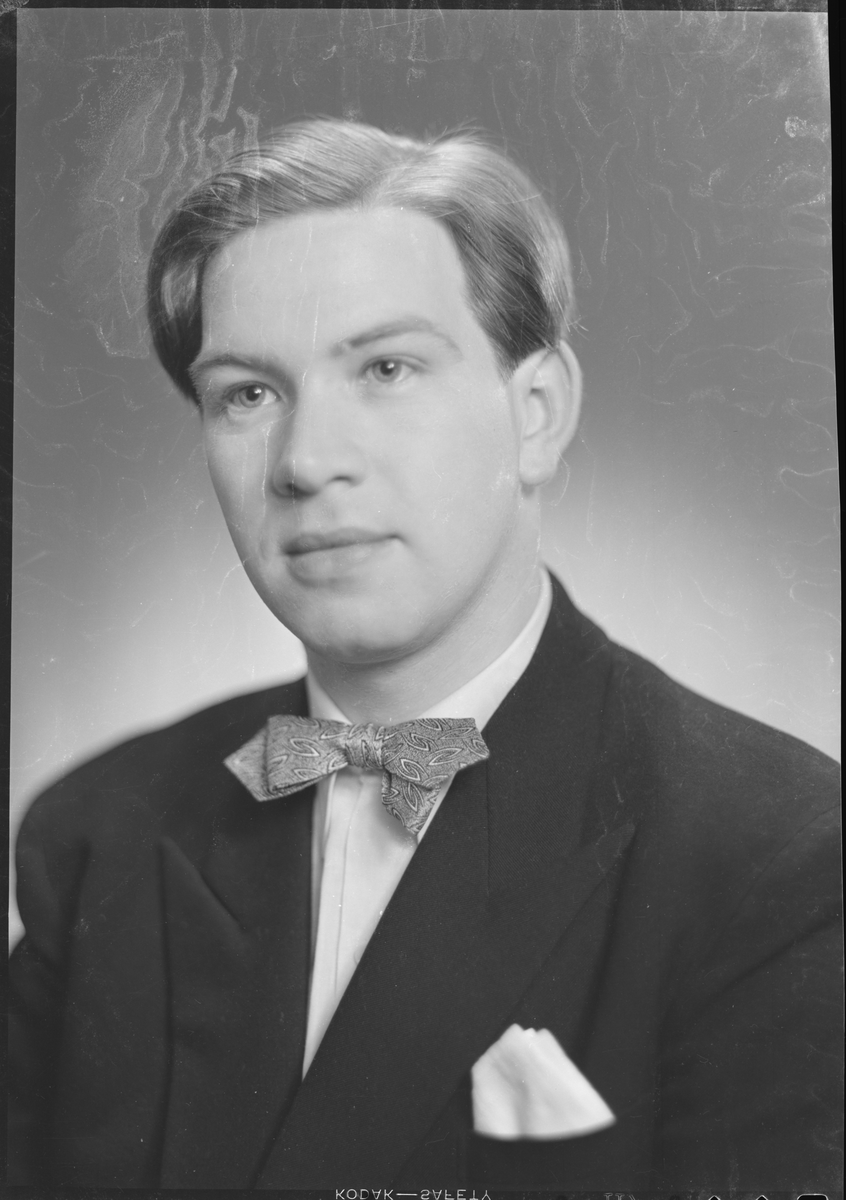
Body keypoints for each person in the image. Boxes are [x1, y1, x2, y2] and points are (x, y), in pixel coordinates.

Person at [8, 118, 841, 1191]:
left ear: (536, 413)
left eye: (387, 368)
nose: (307, 461)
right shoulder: (99, 831)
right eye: (248, 394)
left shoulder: (776, 856)